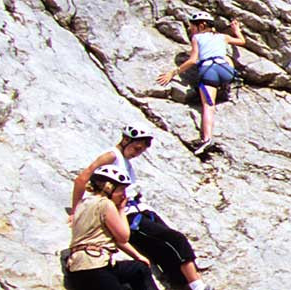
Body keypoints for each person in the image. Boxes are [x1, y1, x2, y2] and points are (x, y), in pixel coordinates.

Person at [69, 127, 214, 290]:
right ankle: (197, 285)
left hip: (140, 209)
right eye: (137, 148)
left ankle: (183, 283)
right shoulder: (112, 155)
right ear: (126, 140)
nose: (137, 153)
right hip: (130, 215)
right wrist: (75, 210)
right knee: (175, 239)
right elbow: (83, 178)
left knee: (165, 247)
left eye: (142, 150)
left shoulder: (125, 162)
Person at [154, 11, 247, 152]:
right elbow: (242, 42)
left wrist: (172, 73)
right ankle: (226, 85)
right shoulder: (223, 37)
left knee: (208, 106)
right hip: (226, 71)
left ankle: (206, 139)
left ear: (201, 26)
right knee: (227, 58)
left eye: (192, 27)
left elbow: (192, 60)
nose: (190, 30)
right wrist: (236, 30)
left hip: (209, 72)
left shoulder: (197, 38)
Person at [65, 165, 160, 290]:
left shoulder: (83, 204)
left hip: (80, 267)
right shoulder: (105, 204)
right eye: (121, 189)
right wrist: (121, 209)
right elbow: (123, 237)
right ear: (109, 187)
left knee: (139, 269)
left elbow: (113, 237)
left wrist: (138, 256)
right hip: (95, 266)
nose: (123, 195)